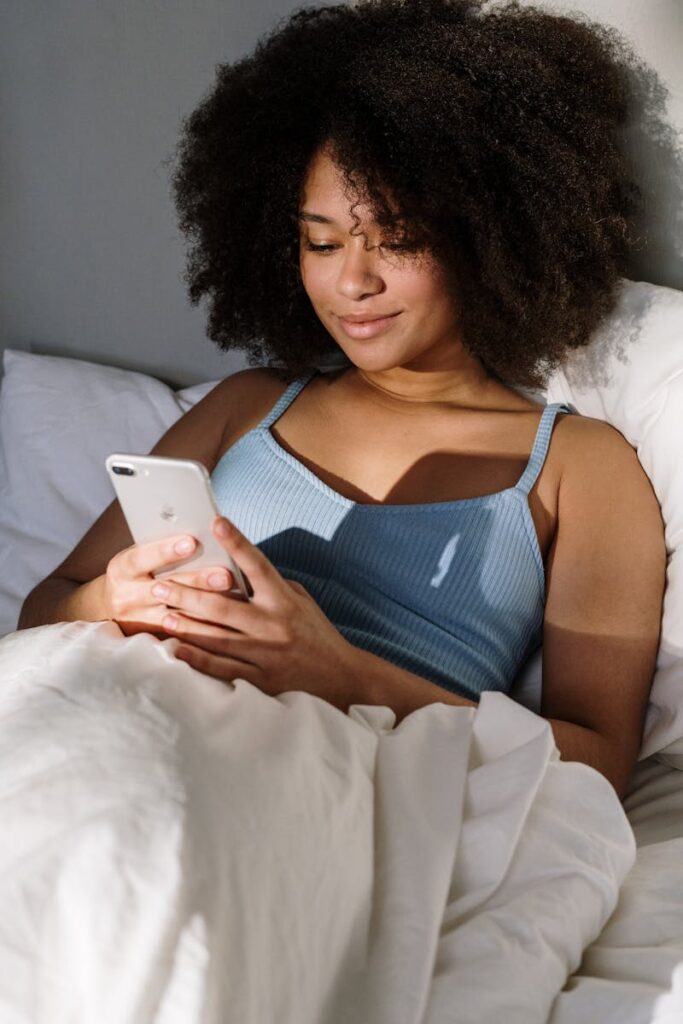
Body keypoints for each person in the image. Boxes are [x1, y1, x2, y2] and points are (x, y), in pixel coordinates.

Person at [19, 0, 666, 798]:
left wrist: (340, 673)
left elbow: (597, 759)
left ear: (491, 237)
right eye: (321, 242)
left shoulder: (578, 464)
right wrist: (109, 598)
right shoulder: (246, 406)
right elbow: (44, 608)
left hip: (332, 780)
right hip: (124, 724)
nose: (352, 282)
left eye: (396, 239)